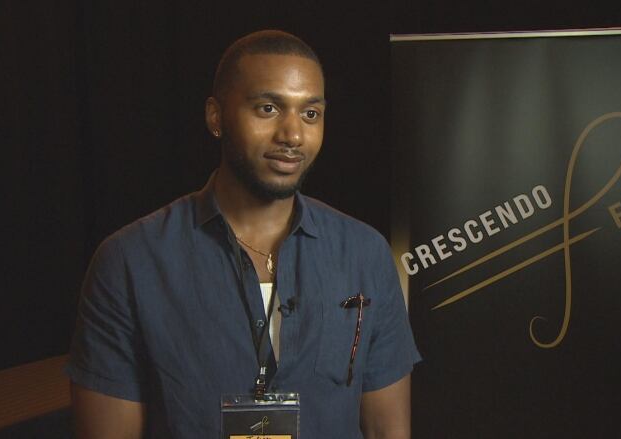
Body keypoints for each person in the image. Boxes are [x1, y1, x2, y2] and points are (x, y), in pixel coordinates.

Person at [66, 29, 420, 438]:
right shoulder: (130, 262)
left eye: (310, 113)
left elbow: (387, 430)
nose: (292, 135)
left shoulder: (365, 254)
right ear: (216, 116)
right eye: (268, 108)